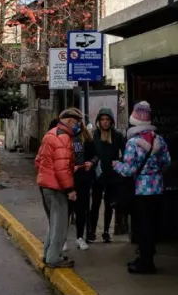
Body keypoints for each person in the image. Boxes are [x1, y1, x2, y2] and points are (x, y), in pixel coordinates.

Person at [113, 101, 171, 274]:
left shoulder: (133, 143)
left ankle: (145, 262)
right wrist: (155, 173)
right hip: (157, 188)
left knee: (142, 226)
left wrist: (116, 165)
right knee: (152, 225)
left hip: (141, 190)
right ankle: (147, 257)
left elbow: (129, 170)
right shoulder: (158, 140)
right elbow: (166, 162)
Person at [35, 109, 81, 268]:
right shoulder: (64, 137)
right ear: (69, 121)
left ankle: (48, 254)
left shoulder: (50, 134)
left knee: (53, 222)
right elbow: (61, 167)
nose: (78, 126)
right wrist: (70, 189)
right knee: (60, 224)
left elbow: (38, 161)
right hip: (57, 187)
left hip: (45, 184)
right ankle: (54, 257)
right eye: (76, 123)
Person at [88, 107, 124, 243]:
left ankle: (106, 231)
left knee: (109, 205)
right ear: (98, 121)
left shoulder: (117, 136)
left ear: (111, 121)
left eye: (107, 119)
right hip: (98, 176)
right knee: (95, 204)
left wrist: (119, 164)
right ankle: (91, 231)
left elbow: (125, 153)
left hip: (112, 176)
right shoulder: (94, 135)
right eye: (102, 119)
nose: (104, 122)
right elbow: (90, 153)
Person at [71, 114, 97, 250]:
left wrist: (91, 163)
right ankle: (61, 239)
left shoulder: (87, 138)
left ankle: (80, 237)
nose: (76, 125)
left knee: (82, 209)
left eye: (78, 122)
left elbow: (95, 155)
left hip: (83, 178)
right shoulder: (64, 137)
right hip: (68, 179)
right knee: (67, 209)